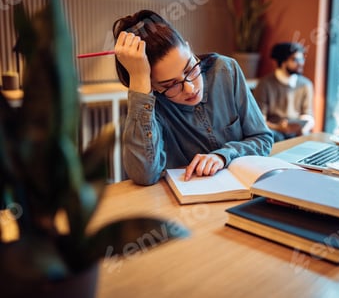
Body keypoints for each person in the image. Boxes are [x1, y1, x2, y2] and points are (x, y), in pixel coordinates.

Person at [113, 10, 273, 185]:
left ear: (189, 49)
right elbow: (144, 175)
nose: (190, 89)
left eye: (190, 68)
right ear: (153, 86)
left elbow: (262, 138)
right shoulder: (153, 104)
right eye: (169, 85)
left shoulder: (226, 71)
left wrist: (223, 155)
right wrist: (139, 81)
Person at [253, 42, 315, 142]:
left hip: (297, 132)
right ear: (282, 62)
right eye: (295, 60)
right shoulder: (264, 84)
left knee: (307, 139)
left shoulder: (306, 84)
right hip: (273, 131)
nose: (301, 63)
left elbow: (308, 115)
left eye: (302, 59)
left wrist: (302, 129)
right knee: (275, 137)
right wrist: (279, 127)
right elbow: (260, 121)